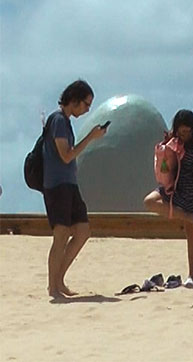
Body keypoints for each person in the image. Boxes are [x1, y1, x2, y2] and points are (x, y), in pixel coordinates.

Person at [42, 80, 106, 298]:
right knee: (60, 234)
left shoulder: (65, 122)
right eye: (86, 104)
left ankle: (58, 280)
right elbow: (66, 155)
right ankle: (53, 287)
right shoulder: (59, 120)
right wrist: (91, 137)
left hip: (68, 184)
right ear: (75, 100)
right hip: (57, 185)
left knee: (82, 231)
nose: (87, 109)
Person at [143, 109, 193, 287]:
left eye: (187, 132)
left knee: (192, 233)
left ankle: (192, 275)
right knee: (150, 201)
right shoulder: (175, 139)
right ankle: (188, 217)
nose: (184, 136)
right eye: (181, 132)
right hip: (175, 185)